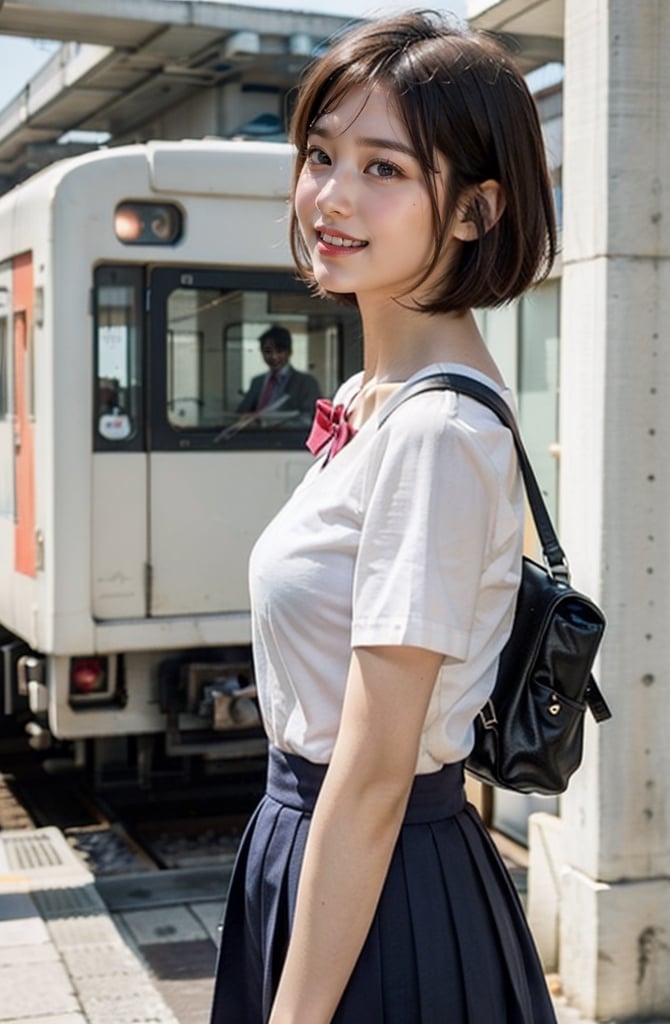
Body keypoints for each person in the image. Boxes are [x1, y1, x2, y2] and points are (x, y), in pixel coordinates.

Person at [210, 10, 558, 1023]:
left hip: (380, 890)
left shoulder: (436, 432)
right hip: (326, 862)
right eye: (321, 155)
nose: (332, 195)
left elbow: (370, 774)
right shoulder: (376, 401)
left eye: (385, 168)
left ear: (474, 211)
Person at [237, 325, 320, 422]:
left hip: (289, 436)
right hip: (256, 435)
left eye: (279, 351)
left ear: (289, 352)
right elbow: (240, 413)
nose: (274, 357)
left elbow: (309, 419)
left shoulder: (306, 383)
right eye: (268, 351)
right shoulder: (257, 382)